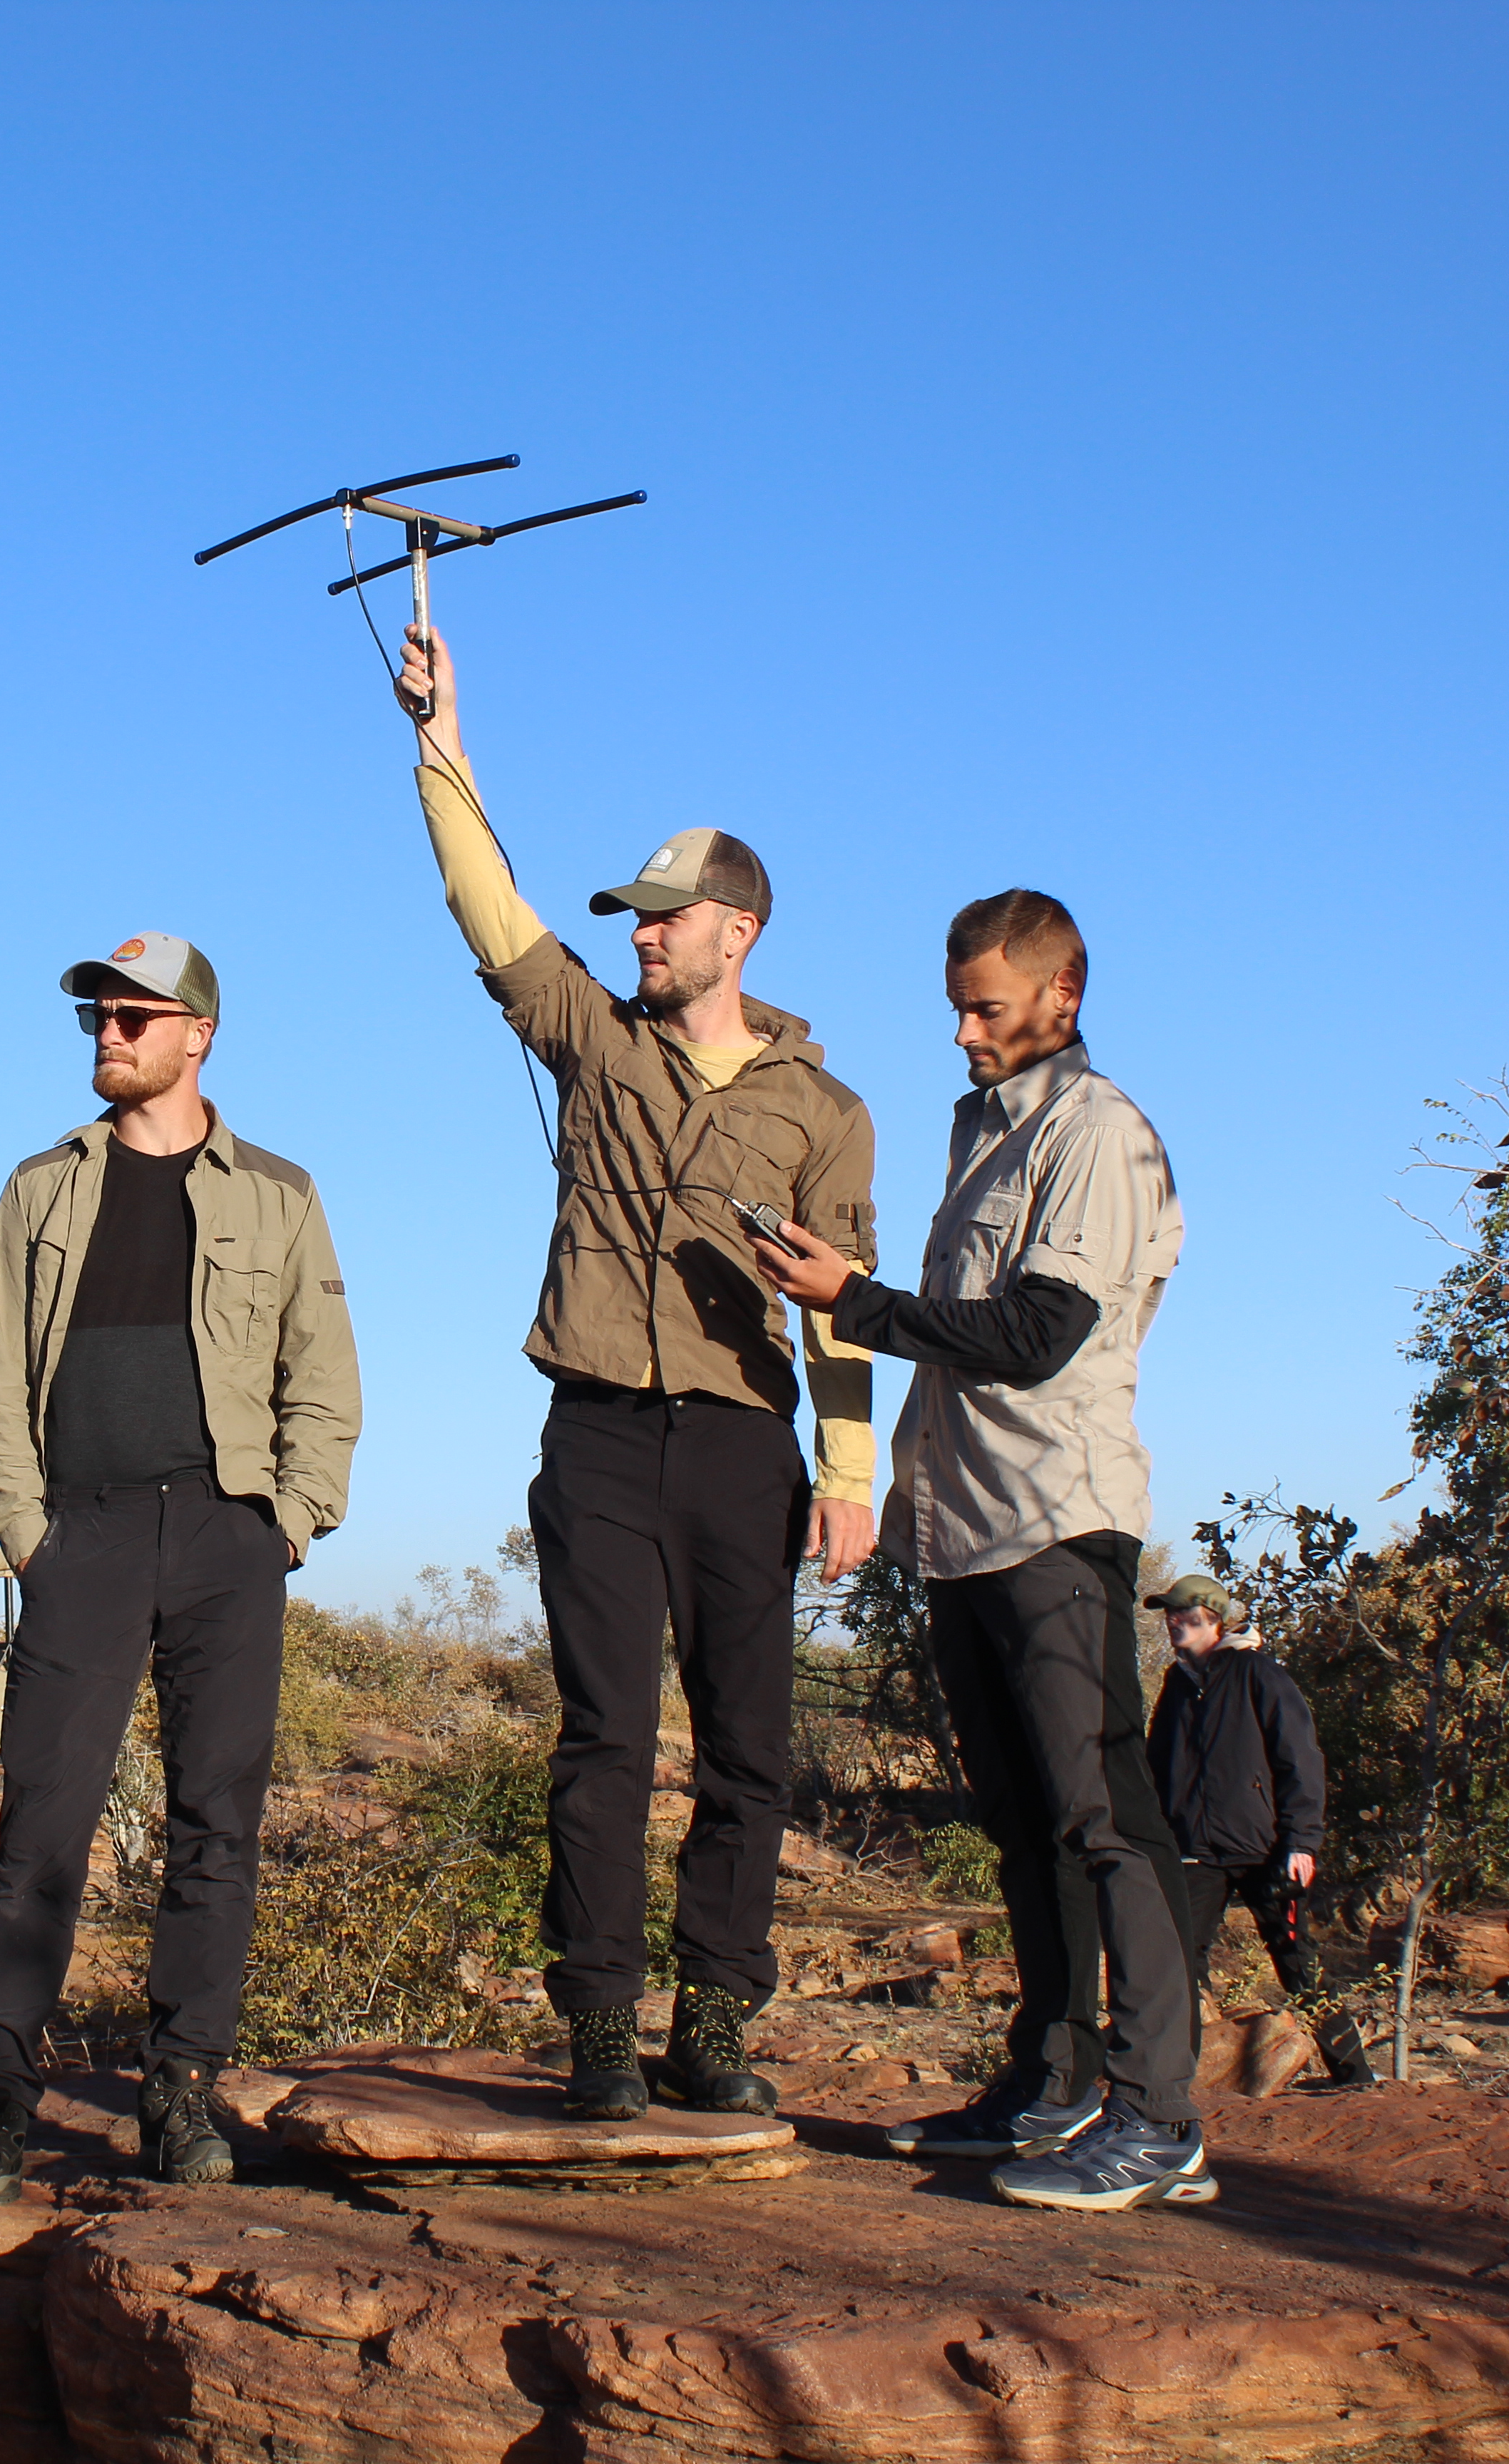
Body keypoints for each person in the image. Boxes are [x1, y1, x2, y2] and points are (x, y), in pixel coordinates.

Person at [392, 625, 876, 2121]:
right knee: (603, 1738)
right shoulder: (594, 1042)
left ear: (740, 931)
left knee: (750, 1749)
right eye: (638, 920)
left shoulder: (827, 1108)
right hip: (597, 1435)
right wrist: (442, 736)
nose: (642, 935)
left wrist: (853, 1472)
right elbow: (489, 905)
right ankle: (601, 2028)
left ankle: (715, 2025)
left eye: (666, 919)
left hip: (744, 1448)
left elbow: (848, 1308)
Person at [751, 888, 1207, 2212]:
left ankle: (1158, 2113)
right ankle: (1051, 2078)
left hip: (1055, 1520)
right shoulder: (981, 1134)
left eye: (985, 1007)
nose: (961, 1031)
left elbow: (1036, 1335)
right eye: (954, 1004)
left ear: (1060, 996)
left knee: (1105, 1817)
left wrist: (854, 1301)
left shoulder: (1096, 1134)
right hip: (960, 1530)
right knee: (1021, 1824)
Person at [0, 930, 361, 2217]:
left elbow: (320, 1378)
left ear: (197, 1034)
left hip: (225, 1534)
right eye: (96, 1020)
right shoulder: (36, 1188)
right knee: (38, 1835)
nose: (106, 1037)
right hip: (84, 1536)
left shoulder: (277, 1192)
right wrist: (24, 1530)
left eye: (130, 1018)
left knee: (212, 1830)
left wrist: (287, 1519)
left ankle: (180, 2093)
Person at [1145, 1572, 1378, 2088]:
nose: (1172, 1623)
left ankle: (1354, 2077)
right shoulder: (1176, 1684)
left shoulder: (1260, 1674)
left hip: (1267, 1848)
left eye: (1182, 1614)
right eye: (1169, 1615)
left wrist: (1302, 1842)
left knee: (1297, 1960)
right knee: (1175, 1959)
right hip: (1196, 1852)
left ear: (1214, 1619)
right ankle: (1179, 2079)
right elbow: (1155, 1768)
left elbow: (1301, 1760)